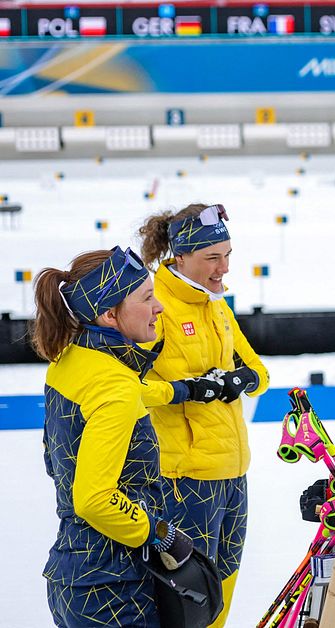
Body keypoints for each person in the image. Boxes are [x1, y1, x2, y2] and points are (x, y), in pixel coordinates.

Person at [36, 247, 223, 626]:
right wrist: (160, 534)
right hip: (115, 587)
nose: (160, 307)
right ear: (109, 314)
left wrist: (182, 391)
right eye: (146, 297)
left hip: (74, 573)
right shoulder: (114, 386)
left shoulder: (71, 362)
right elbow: (94, 500)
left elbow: (121, 398)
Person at [137, 204, 270, 627]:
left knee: (225, 579)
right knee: (190, 591)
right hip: (186, 476)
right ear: (180, 256)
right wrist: (193, 389)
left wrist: (240, 380)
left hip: (233, 469)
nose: (224, 268)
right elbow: (136, 391)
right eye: (212, 257)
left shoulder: (215, 305)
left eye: (227, 254)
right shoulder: (155, 306)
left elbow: (261, 374)